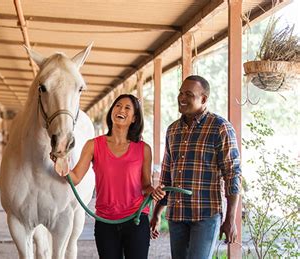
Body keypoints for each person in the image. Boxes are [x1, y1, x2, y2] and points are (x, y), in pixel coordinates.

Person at [54, 94, 164, 259]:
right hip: (106, 222)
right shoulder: (93, 145)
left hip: (136, 219)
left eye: (127, 108)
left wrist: (153, 191)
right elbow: (75, 177)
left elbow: (145, 184)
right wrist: (61, 164)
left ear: (134, 118)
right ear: (112, 111)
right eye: (118, 105)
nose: (121, 110)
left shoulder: (143, 149)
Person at [151, 75, 242, 259]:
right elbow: (167, 175)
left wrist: (231, 218)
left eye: (189, 94)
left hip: (205, 215)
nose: (182, 98)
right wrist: (157, 213)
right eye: (180, 93)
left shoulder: (220, 127)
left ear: (204, 99)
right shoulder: (172, 130)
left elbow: (233, 174)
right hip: (177, 214)